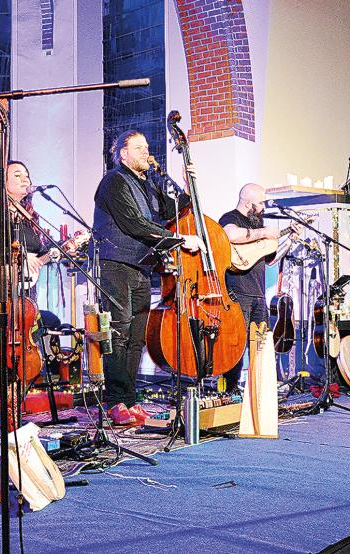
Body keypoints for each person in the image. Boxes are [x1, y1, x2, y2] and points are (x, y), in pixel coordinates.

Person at [92, 130, 200, 425]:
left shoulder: (148, 184)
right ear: (122, 153)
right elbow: (134, 223)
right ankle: (115, 400)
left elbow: (172, 208)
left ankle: (129, 399)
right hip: (115, 263)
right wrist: (178, 240)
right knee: (118, 332)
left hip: (141, 266)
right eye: (138, 148)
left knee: (136, 336)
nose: (146, 152)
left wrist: (186, 183)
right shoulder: (114, 180)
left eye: (147, 148)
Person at [0, 161, 61, 444]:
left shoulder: (28, 216)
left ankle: (10, 421)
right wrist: (23, 256)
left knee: (21, 358)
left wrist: (53, 253)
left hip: (25, 297)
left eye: (27, 174)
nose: (25, 179)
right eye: (17, 175)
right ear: (2, 182)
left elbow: (40, 249)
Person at [219, 183, 300, 392]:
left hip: (258, 293)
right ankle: (230, 388)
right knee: (237, 343)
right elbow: (230, 235)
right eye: (261, 202)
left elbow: (270, 259)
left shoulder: (258, 222)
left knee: (261, 343)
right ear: (248, 202)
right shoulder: (230, 218)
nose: (263, 207)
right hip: (237, 291)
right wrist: (263, 232)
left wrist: (289, 239)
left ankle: (259, 387)